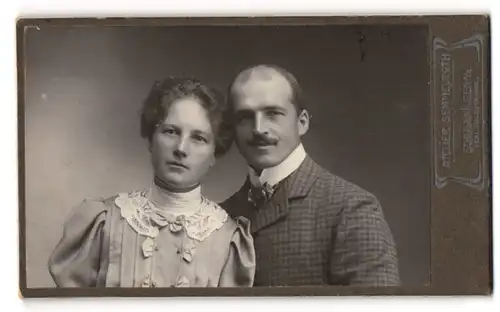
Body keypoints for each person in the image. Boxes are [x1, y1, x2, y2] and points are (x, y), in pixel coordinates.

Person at [48, 77, 256, 288]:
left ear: (214, 153)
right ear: (151, 139)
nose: (181, 148)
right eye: (171, 131)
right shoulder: (105, 222)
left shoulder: (228, 238)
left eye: (198, 138)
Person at [220, 64, 400, 287]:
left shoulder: (351, 208)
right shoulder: (219, 216)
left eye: (273, 114)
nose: (258, 129)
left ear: (302, 122)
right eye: (245, 117)